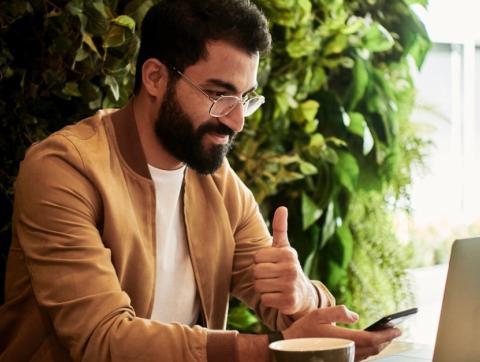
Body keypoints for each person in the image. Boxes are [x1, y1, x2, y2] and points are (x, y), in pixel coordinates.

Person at [0, 0, 401, 361]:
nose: (237, 120)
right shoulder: (64, 169)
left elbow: (288, 305)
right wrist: (271, 351)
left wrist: (300, 293)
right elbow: (103, 340)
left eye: (246, 98)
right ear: (155, 77)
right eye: (219, 94)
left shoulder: (218, 183)